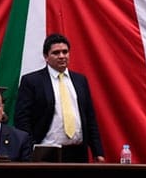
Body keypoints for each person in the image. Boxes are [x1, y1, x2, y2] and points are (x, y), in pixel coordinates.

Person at [14, 34, 105, 163]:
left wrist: (98, 152)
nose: (62, 56)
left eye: (65, 52)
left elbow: (90, 117)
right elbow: (22, 119)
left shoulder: (80, 80)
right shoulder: (32, 81)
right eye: (56, 53)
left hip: (78, 152)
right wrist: (29, 148)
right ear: (46, 57)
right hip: (46, 151)